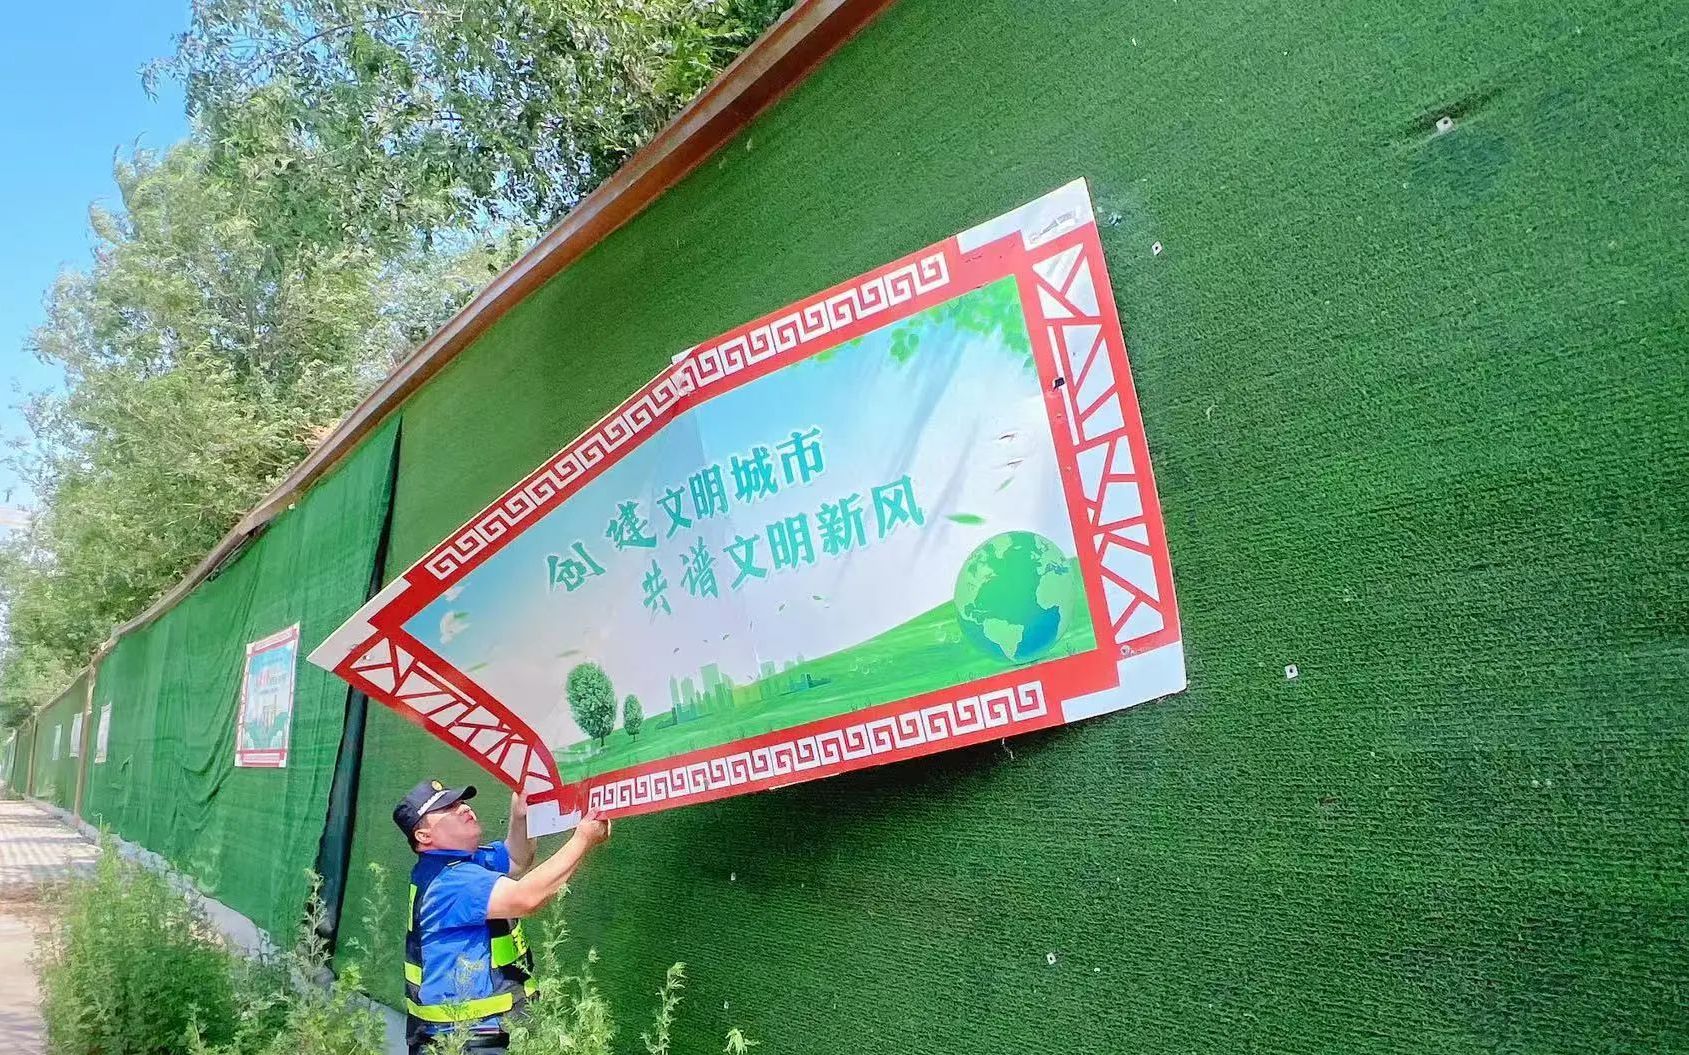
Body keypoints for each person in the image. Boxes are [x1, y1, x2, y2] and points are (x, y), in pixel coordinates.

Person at [392, 779, 612, 1054]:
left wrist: (521, 815)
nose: (463, 808)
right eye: (448, 808)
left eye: (460, 801)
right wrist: (583, 839)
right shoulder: (450, 880)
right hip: (465, 1040)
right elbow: (526, 898)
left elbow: (516, 859)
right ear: (424, 836)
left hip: (474, 1034)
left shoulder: (460, 862)